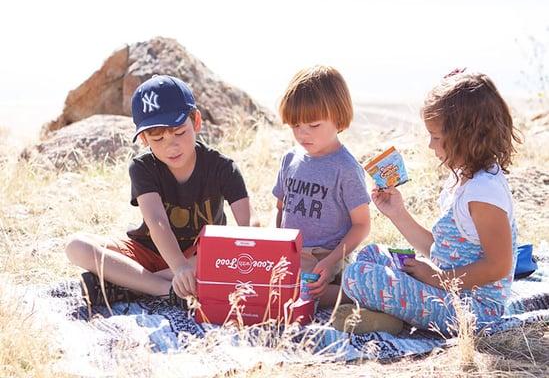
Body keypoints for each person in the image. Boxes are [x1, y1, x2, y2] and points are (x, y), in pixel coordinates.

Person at [341, 70, 522, 335]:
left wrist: (435, 278)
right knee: (371, 255)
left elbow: (499, 266)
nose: (430, 145)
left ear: (467, 135)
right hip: (448, 286)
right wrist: (398, 213)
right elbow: (438, 249)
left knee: (357, 276)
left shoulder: (484, 194)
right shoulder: (464, 179)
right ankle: (395, 313)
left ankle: (391, 318)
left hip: (474, 309)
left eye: (436, 137)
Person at [65, 74, 255, 308]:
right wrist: (179, 268)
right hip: (149, 252)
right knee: (77, 247)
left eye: (179, 132)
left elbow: (249, 225)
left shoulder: (222, 167)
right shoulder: (143, 167)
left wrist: (195, 264)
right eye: (157, 138)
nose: (171, 145)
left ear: (196, 121)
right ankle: (166, 290)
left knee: (229, 256)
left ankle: (129, 284)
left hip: (199, 257)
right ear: (144, 139)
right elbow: (157, 222)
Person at [272, 65, 372, 306]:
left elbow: (362, 225)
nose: (303, 134)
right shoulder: (290, 159)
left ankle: (361, 301)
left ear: (338, 118)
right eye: (296, 126)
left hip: (326, 255)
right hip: (292, 252)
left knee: (287, 291)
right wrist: (273, 246)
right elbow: (280, 209)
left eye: (313, 125)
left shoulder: (345, 168)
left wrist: (330, 262)